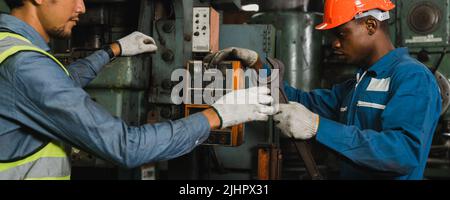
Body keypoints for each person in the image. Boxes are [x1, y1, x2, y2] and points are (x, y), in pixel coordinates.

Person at [0, 0, 276, 180]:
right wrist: (217, 115)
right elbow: (127, 147)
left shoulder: (11, 47)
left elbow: (60, 81)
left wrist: (113, 50)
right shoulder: (25, 64)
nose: (82, 8)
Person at [207, 0, 442, 179]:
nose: (335, 43)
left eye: (341, 33)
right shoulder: (356, 85)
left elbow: (403, 152)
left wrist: (318, 126)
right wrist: (258, 67)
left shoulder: (412, 77)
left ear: (371, 25)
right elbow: (297, 100)